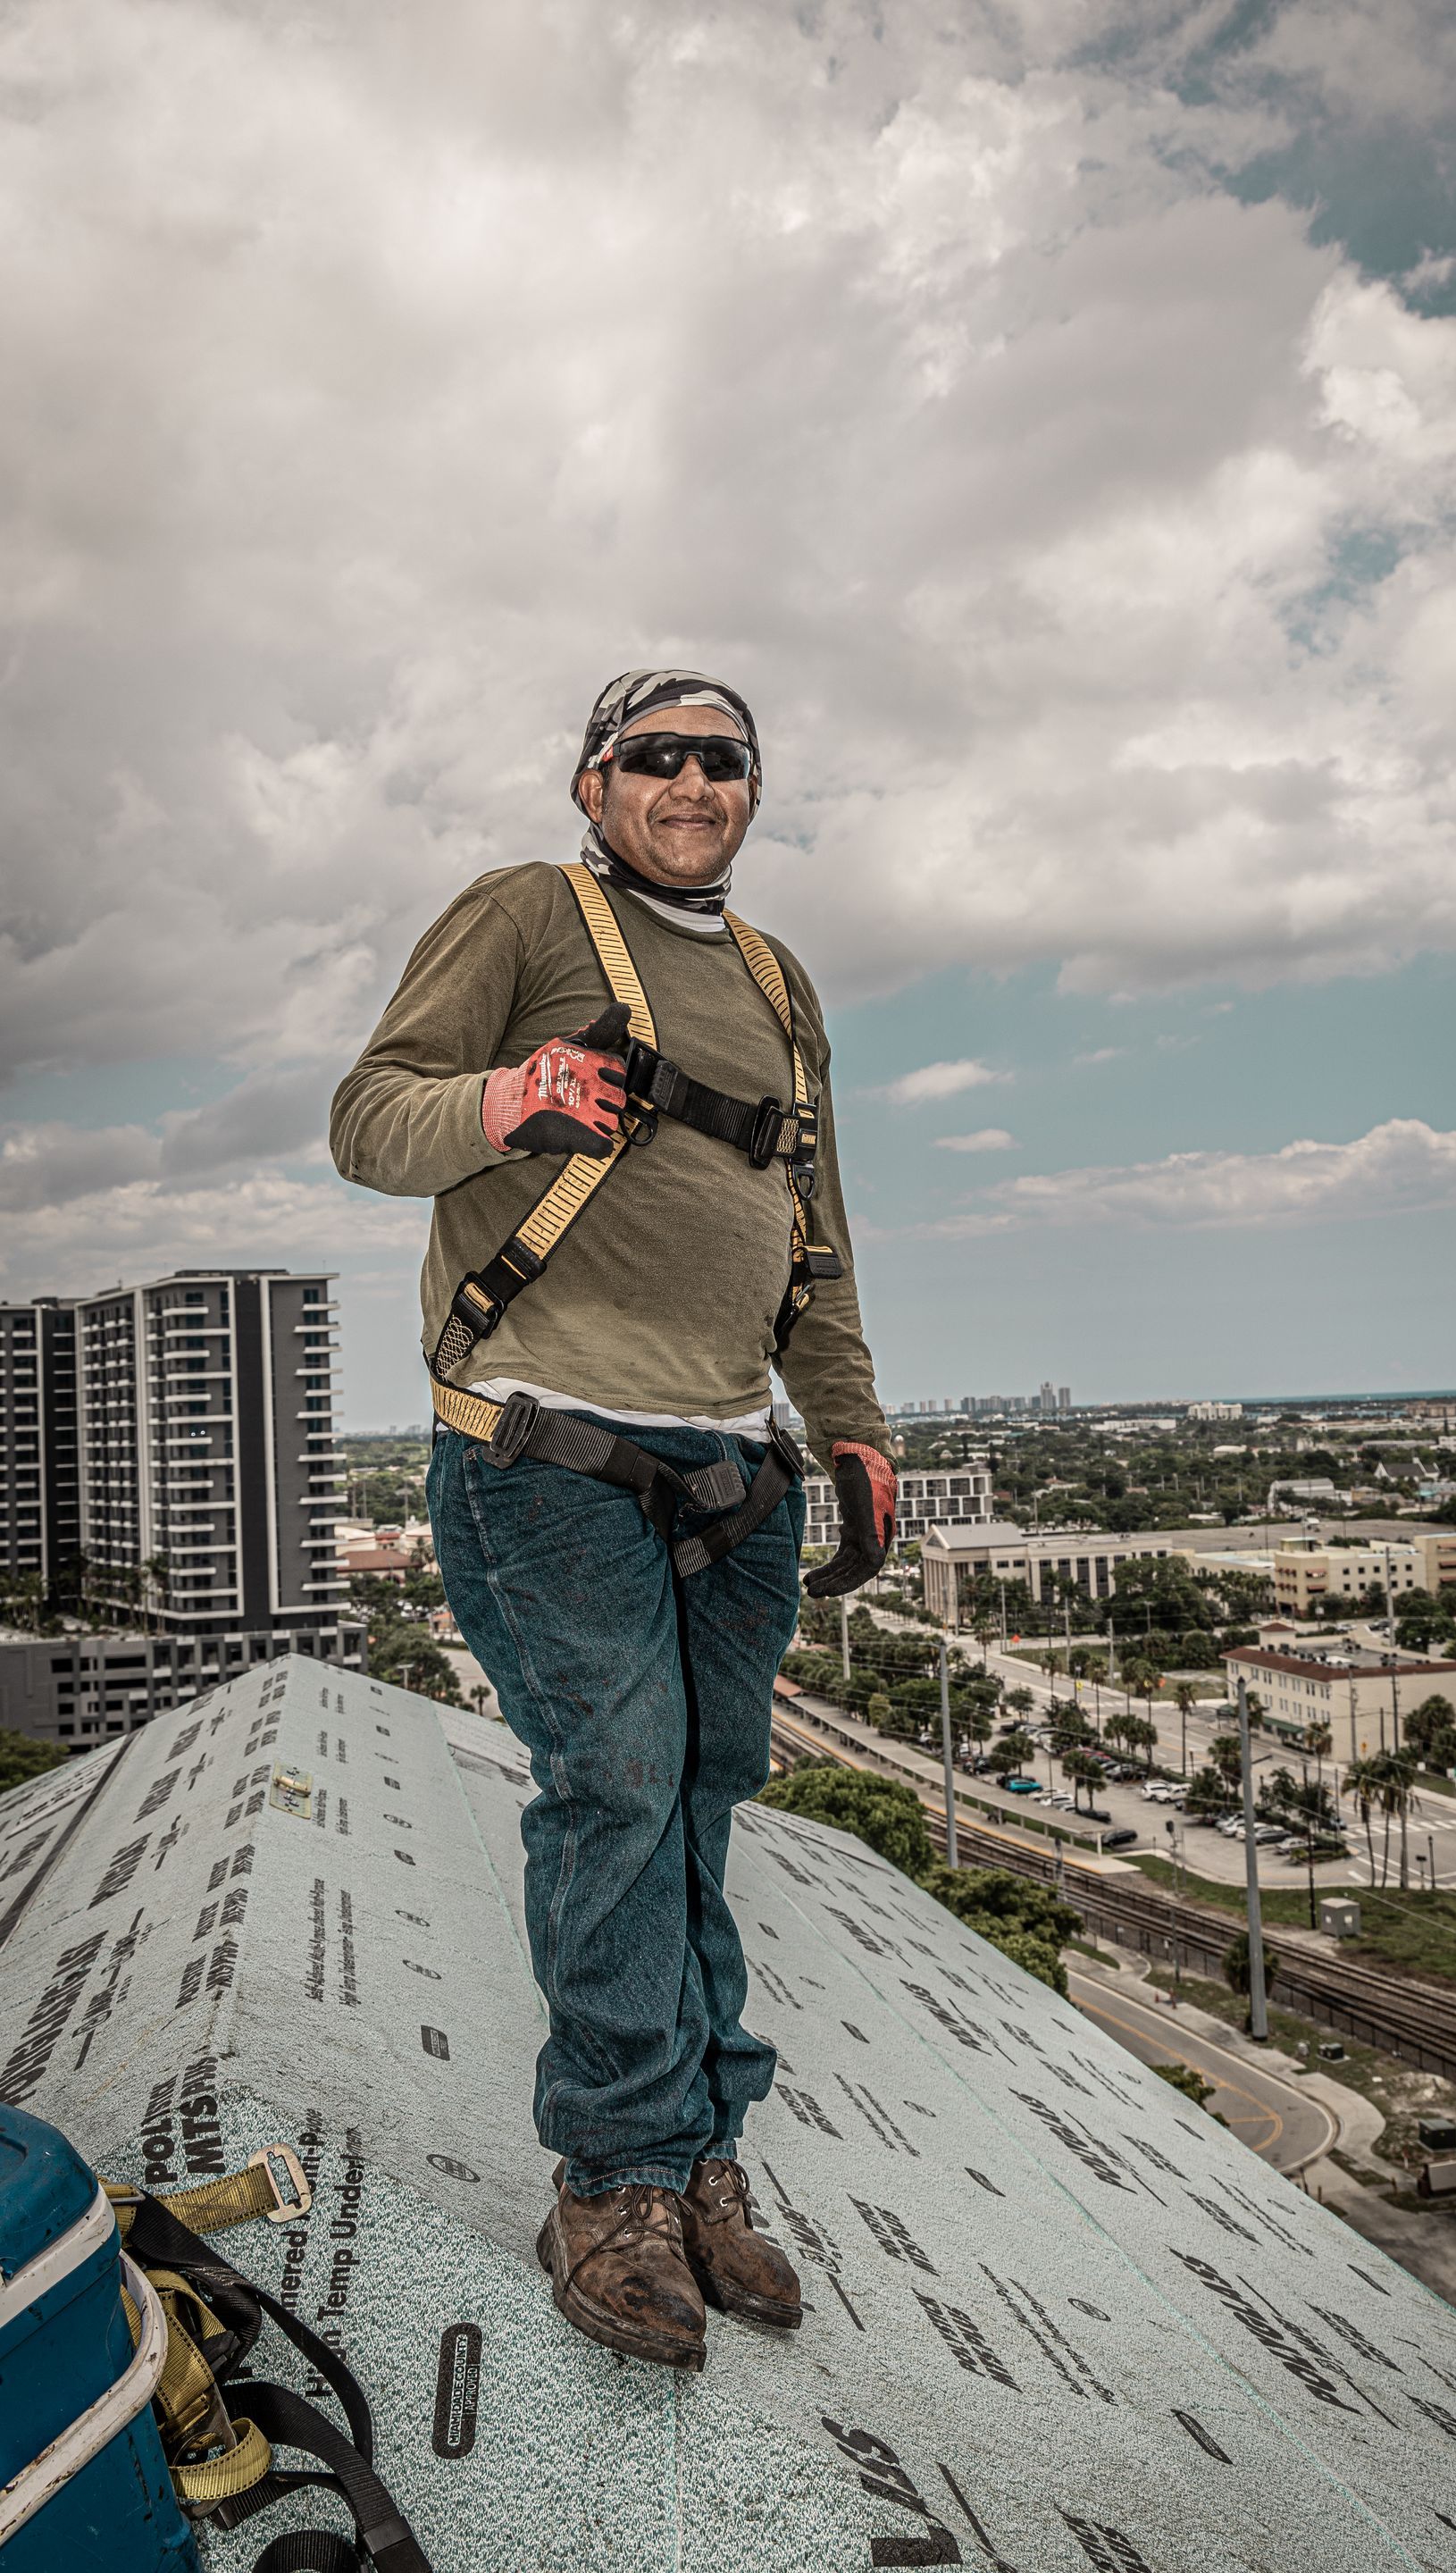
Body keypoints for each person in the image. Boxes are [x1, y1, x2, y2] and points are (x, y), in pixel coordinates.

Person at [331, 667, 895, 2373]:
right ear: (594, 783)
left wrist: (853, 1426)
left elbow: (817, 1235)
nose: (694, 780)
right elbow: (369, 1120)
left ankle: (704, 2153)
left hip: (736, 1462)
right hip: (549, 1450)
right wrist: (508, 1102)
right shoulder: (524, 914)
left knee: (706, 1803)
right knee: (617, 1792)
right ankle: (613, 2180)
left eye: (724, 760)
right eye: (657, 756)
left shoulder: (784, 983)